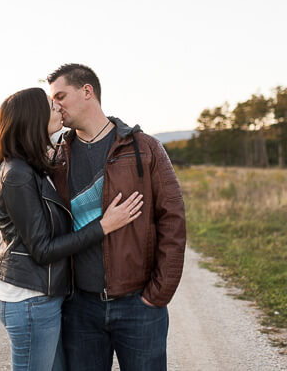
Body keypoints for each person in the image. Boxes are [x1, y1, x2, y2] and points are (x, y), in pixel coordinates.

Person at [0, 87, 144, 371]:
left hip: (39, 297)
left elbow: (8, 228)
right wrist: (104, 226)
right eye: (51, 105)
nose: (58, 108)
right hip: (31, 300)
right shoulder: (18, 174)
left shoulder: (33, 166)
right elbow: (42, 249)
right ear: (34, 119)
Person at [48, 64, 186, 371]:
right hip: (79, 306)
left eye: (60, 96)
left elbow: (172, 221)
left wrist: (158, 294)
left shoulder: (144, 147)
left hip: (138, 305)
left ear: (87, 91)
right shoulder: (58, 156)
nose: (55, 106)